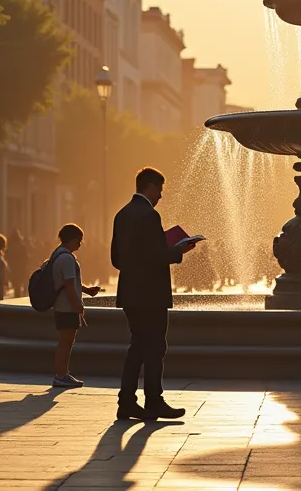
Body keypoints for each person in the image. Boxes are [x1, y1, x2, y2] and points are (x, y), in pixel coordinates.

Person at [111, 167, 195, 421]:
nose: (161, 195)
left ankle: (126, 402)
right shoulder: (150, 215)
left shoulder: (122, 214)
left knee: (137, 345)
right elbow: (156, 255)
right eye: (159, 189)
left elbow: (117, 259)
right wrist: (180, 250)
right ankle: (154, 402)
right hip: (151, 294)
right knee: (156, 346)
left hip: (130, 293)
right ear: (149, 187)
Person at [51, 223, 101, 388]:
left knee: (64, 341)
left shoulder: (57, 254)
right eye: (79, 241)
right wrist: (77, 305)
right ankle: (61, 375)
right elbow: (69, 284)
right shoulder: (66, 258)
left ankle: (61, 374)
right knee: (66, 341)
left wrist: (87, 290)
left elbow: (69, 282)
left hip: (61, 306)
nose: (80, 244)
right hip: (67, 307)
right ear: (72, 240)